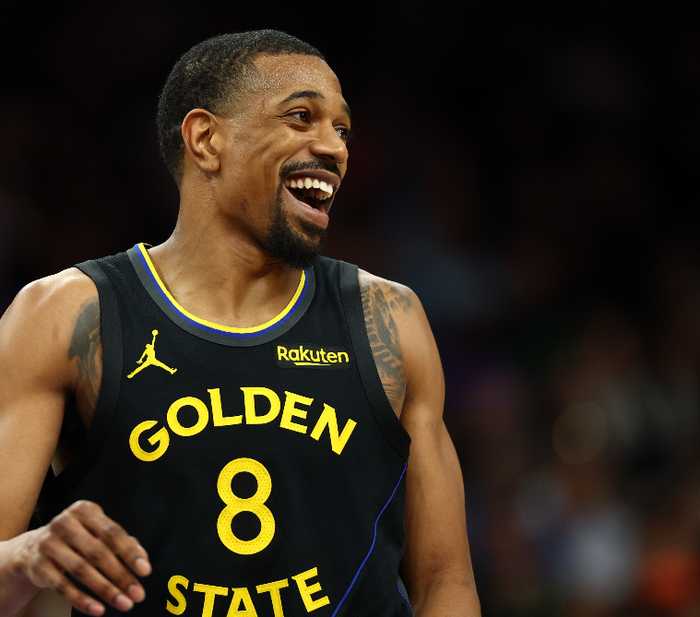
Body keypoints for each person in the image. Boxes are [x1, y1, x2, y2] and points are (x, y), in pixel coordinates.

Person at [0, 30, 481, 617]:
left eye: (342, 129)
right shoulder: (68, 315)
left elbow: (445, 580)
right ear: (206, 140)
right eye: (301, 117)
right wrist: (24, 555)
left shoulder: (388, 318)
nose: (334, 147)